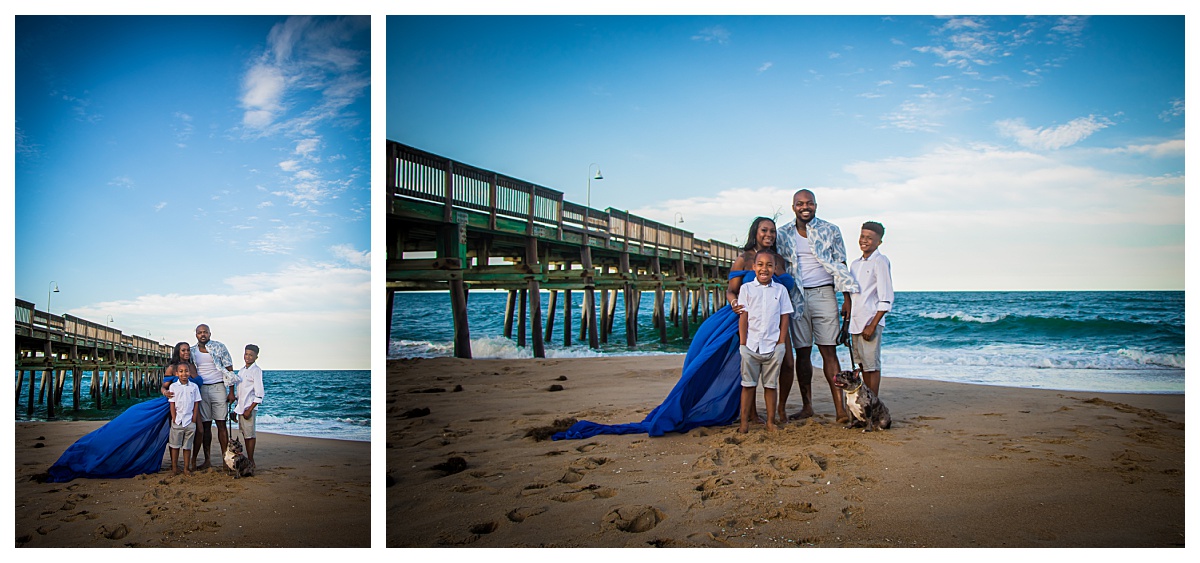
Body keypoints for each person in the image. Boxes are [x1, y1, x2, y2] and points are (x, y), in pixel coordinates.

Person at [552, 217, 795, 440]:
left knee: (786, 363)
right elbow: (732, 289)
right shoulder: (744, 258)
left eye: (773, 231)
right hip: (742, 319)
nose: (769, 234)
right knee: (738, 369)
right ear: (756, 232)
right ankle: (750, 415)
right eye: (765, 230)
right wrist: (734, 304)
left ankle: (780, 410)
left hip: (773, 322)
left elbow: (783, 291)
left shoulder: (779, 260)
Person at [45, 342, 192, 482]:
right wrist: (165, 392)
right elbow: (163, 387)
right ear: (178, 352)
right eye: (183, 350)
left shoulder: (191, 367)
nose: (186, 352)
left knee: (168, 434)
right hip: (167, 406)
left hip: (185, 407)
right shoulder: (172, 368)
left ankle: (186, 465)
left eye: (187, 350)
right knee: (135, 429)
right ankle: (96, 453)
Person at [776, 189, 860, 423]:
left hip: (824, 293)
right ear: (793, 207)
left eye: (809, 203)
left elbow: (841, 262)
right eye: (800, 203)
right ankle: (807, 406)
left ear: (816, 205)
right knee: (802, 353)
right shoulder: (782, 234)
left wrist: (847, 298)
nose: (805, 207)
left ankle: (841, 411)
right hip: (796, 296)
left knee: (828, 351)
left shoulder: (830, 229)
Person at [736, 250, 793, 433]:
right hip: (751, 345)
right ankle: (744, 423)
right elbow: (743, 317)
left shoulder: (780, 290)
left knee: (770, 385)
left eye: (769, 265)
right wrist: (743, 344)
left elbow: (785, 317)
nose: (764, 269)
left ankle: (770, 421)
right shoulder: (746, 289)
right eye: (760, 265)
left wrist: (781, 343)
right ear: (754, 267)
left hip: (772, 346)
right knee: (748, 385)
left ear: (775, 269)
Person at [849, 221, 894, 396]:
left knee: (872, 366)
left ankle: (873, 402)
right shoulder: (855, 264)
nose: (864, 241)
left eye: (870, 238)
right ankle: (865, 399)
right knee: (861, 365)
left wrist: (872, 325)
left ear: (879, 242)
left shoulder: (880, 261)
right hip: (855, 322)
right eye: (862, 236)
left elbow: (886, 298)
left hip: (870, 322)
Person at [190, 324, 238, 471]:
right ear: (196, 335)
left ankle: (226, 461)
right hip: (202, 389)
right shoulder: (192, 351)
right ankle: (207, 460)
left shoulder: (219, 347)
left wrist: (231, 391)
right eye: (199, 332)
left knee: (221, 424)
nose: (202, 335)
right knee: (205, 426)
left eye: (205, 332)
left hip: (218, 387)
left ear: (210, 334)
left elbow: (229, 368)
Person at [233, 344, 265, 468]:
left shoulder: (256, 371)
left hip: (249, 408)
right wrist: (236, 410)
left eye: (251, 355)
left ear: (256, 357)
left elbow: (259, 393)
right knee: (245, 434)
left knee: (250, 435)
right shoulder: (242, 370)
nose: (248, 357)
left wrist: (250, 409)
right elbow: (240, 393)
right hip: (241, 407)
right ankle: (248, 459)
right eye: (246, 354)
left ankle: (251, 460)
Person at [167, 362, 201, 475]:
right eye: (181, 371)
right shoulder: (173, 386)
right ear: (177, 373)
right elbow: (172, 403)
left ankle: (186, 468)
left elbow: (196, 403)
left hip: (190, 420)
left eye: (186, 371)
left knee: (187, 446)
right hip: (178, 420)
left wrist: (194, 418)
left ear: (190, 373)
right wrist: (174, 417)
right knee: (175, 445)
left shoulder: (194, 387)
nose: (184, 374)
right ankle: (174, 468)